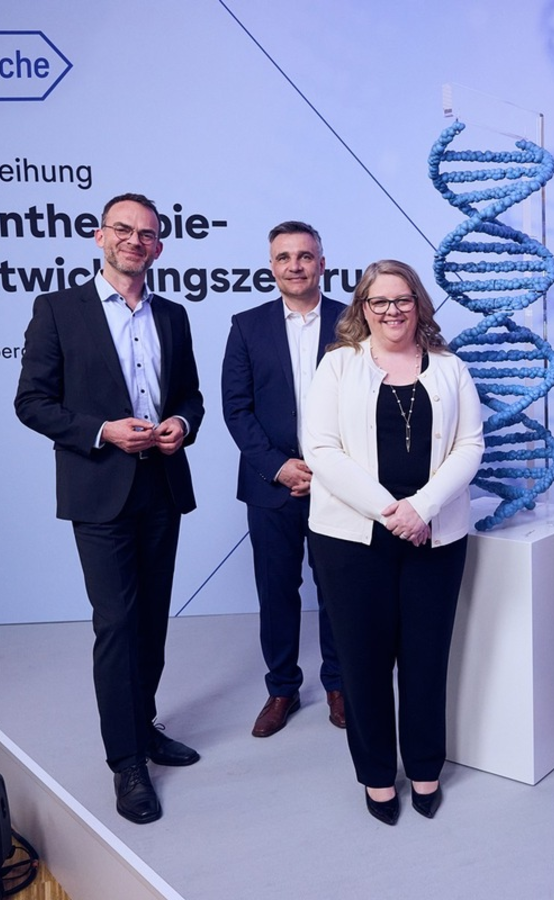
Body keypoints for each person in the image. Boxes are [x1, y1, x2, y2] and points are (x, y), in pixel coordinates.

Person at [14, 192, 204, 825]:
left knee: (151, 620)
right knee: (117, 623)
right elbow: (32, 402)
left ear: (159, 247)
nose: (134, 240)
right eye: (123, 229)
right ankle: (126, 762)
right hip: (99, 488)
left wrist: (180, 424)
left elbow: (191, 397)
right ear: (100, 236)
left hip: (161, 486)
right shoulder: (57, 310)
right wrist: (103, 432)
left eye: (147, 234)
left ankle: (143, 726)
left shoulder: (173, 315)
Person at [303, 259, 483, 825]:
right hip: (352, 540)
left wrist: (421, 509)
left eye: (402, 299)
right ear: (363, 307)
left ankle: (426, 767)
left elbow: (470, 446)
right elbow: (321, 450)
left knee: (427, 659)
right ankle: (377, 775)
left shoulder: (450, 367)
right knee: (364, 663)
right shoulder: (338, 365)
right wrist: (390, 512)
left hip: (435, 536)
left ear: (418, 303)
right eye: (379, 301)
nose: (392, 311)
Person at [221, 221, 347, 738]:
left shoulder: (352, 323)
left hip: (339, 485)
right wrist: (278, 466)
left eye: (305, 256)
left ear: (322, 263)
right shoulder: (247, 326)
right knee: (276, 591)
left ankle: (339, 684)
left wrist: (329, 470)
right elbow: (236, 408)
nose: (295, 265)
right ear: (271, 266)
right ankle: (282, 688)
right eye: (284, 257)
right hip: (270, 485)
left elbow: (368, 405)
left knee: (337, 589)